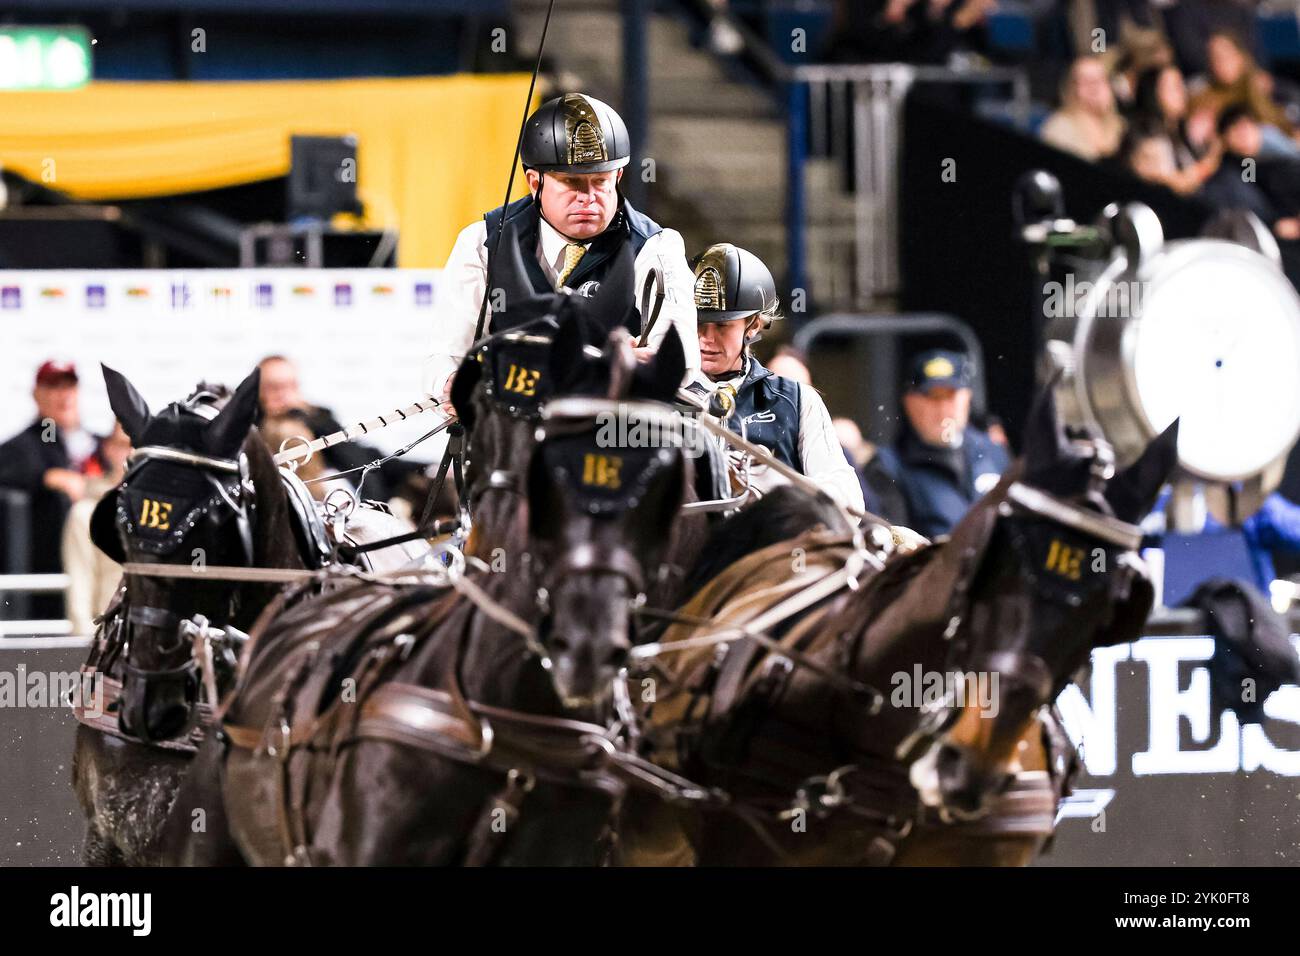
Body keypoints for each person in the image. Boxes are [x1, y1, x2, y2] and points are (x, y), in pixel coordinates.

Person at [423, 92, 700, 405]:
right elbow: (444, 358)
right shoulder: (482, 242)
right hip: (509, 430)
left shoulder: (657, 247)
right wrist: (454, 383)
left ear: (619, 176)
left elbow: (681, 358)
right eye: (572, 182)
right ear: (534, 182)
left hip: (608, 434)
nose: (588, 196)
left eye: (601, 181)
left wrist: (640, 364)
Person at [688, 242, 864, 512]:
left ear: (754, 324)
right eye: (698, 322)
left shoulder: (796, 400)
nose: (706, 339)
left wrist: (774, 488)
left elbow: (850, 501)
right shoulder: (658, 397)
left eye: (722, 325)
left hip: (769, 549)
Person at [0, 361, 107, 617]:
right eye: (53, 386)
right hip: (53, 586)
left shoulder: (101, 444)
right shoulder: (23, 447)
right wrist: (47, 477)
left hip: (106, 570)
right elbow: (9, 469)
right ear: (37, 394)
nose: (63, 394)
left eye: (69, 385)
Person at [871, 349, 1010, 539]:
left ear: (966, 398)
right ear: (910, 402)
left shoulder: (993, 452)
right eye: (933, 397)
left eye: (950, 396)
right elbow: (897, 553)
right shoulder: (888, 467)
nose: (943, 409)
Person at [257, 354, 416, 502]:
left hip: (362, 490)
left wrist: (308, 418)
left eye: (291, 386)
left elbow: (356, 457)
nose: (285, 395)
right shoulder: (254, 425)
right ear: (259, 391)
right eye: (275, 387)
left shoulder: (318, 418)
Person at [61, 423, 131, 634]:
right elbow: (80, 586)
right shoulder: (86, 513)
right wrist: (87, 646)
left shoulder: (163, 512)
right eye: (123, 444)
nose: (131, 452)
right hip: (108, 641)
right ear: (108, 449)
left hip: (158, 642)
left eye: (137, 444)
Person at [1040, 55, 1125, 162]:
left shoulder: (1122, 127)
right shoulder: (1057, 129)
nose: (1094, 88)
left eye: (1100, 80)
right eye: (1085, 81)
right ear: (1071, 89)